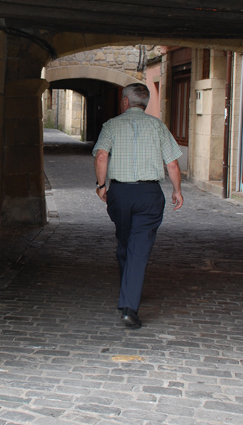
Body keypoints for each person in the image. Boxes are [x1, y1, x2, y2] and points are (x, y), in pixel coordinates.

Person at [93, 83, 183, 329]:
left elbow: (101, 156)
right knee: (137, 248)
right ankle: (129, 307)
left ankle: (127, 296)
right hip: (149, 193)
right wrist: (177, 190)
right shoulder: (158, 126)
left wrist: (101, 185)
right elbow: (172, 164)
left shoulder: (111, 125)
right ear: (146, 103)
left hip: (120, 193)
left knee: (125, 242)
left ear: (124, 102)